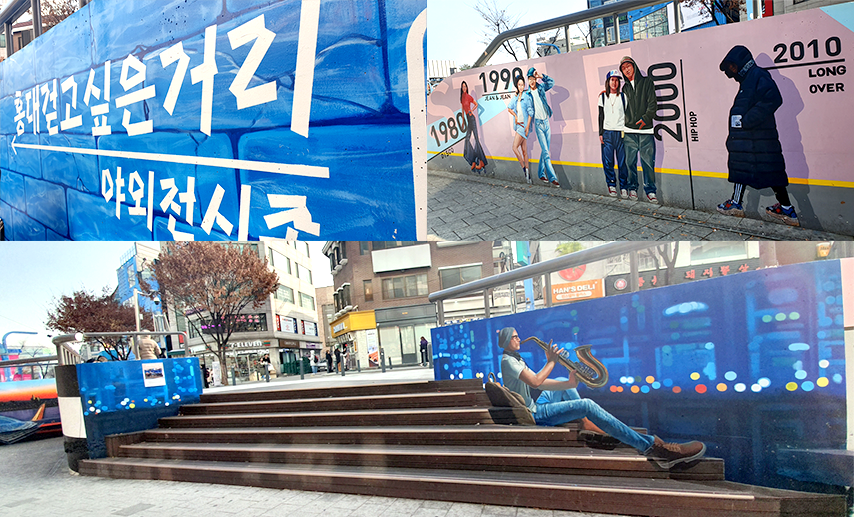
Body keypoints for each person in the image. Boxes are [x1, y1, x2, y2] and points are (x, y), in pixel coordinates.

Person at [496, 327, 706, 469]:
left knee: (561, 378)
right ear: (506, 341)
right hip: (533, 413)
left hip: (533, 404)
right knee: (586, 404)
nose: (518, 338)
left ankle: (586, 421)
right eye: (514, 336)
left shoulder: (516, 359)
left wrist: (569, 383)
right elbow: (535, 382)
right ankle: (652, 448)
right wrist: (551, 360)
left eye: (517, 335)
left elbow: (539, 382)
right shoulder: (509, 361)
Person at [716, 45, 798, 226]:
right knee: (747, 169)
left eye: (732, 66)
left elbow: (773, 98)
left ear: (741, 62)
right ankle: (785, 210)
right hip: (750, 139)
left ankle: (741, 205)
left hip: (757, 138)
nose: (732, 71)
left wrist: (747, 120)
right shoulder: (748, 80)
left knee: (766, 171)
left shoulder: (757, 75)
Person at [620, 56, 658, 204]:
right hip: (629, 131)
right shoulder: (625, 87)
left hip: (646, 131)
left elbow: (653, 104)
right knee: (630, 162)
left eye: (628, 66)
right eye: (623, 69)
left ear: (634, 66)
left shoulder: (647, 82)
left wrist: (645, 119)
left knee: (648, 162)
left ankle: (651, 191)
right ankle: (632, 188)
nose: (626, 70)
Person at [524, 67, 560, 187]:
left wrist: (541, 76)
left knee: (545, 151)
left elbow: (551, 83)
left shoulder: (541, 88)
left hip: (546, 122)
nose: (532, 81)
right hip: (538, 123)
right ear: (528, 81)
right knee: (546, 151)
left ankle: (540, 173)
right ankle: (553, 177)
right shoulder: (527, 94)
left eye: (533, 79)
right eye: (529, 79)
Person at [598, 70, 629, 198]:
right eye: (612, 80)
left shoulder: (623, 97)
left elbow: (627, 114)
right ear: (608, 82)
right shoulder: (602, 97)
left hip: (621, 132)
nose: (614, 82)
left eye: (617, 80)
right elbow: (600, 116)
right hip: (607, 133)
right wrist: (601, 133)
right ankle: (611, 184)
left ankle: (624, 187)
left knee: (623, 162)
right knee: (608, 161)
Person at [506, 75, 532, 183]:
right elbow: (508, 108)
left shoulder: (527, 97)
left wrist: (527, 126)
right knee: (524, 151)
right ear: (517, 86)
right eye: (519, 85)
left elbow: (531, 113)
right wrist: (515, 116)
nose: (521, 87)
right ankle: (528, 175)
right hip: (518, 126)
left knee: (514, 147)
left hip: (523, 127)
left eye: (522, 85)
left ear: (524, 85)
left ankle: (523, 169)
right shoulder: (516, 98)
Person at [460, 81, 488, 173]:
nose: (464, 88)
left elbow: (476, 105)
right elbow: (463, 110)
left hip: (472, 118)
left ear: (467, 88)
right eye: (463, 87)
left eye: (465, 87)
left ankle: (480, 161)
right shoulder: (462, 98)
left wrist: (472, 111)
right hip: (468, 119)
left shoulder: (468, 97)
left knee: (476, 139)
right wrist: (463, 121)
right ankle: (473, 160)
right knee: (467, 139)